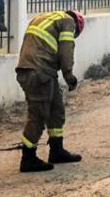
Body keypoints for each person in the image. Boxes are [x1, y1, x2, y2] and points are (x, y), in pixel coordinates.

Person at [15, 10, 85, 172]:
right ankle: (28, 158)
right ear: (77, 26)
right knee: (38, 115)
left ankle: (56, 150)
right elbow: (66, 51)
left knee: (56, 110)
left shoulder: (46, 18)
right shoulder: (68, 22)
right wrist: (69, 76)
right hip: (39, 72)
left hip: (37, 71)